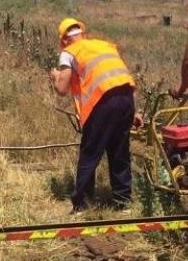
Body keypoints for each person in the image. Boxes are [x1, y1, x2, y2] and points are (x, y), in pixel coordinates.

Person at [51, 17, 137, 212]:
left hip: (103, 102)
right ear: (83, 33)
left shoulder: (69, 52)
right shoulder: (104, 45)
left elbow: (62, 88)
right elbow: (120, 76)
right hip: (126, 99)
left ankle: (82, 205)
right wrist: (136, 111)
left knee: (90, 151)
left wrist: (56, 76)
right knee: (119, 151)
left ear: (64, 40)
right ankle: (123, 202)